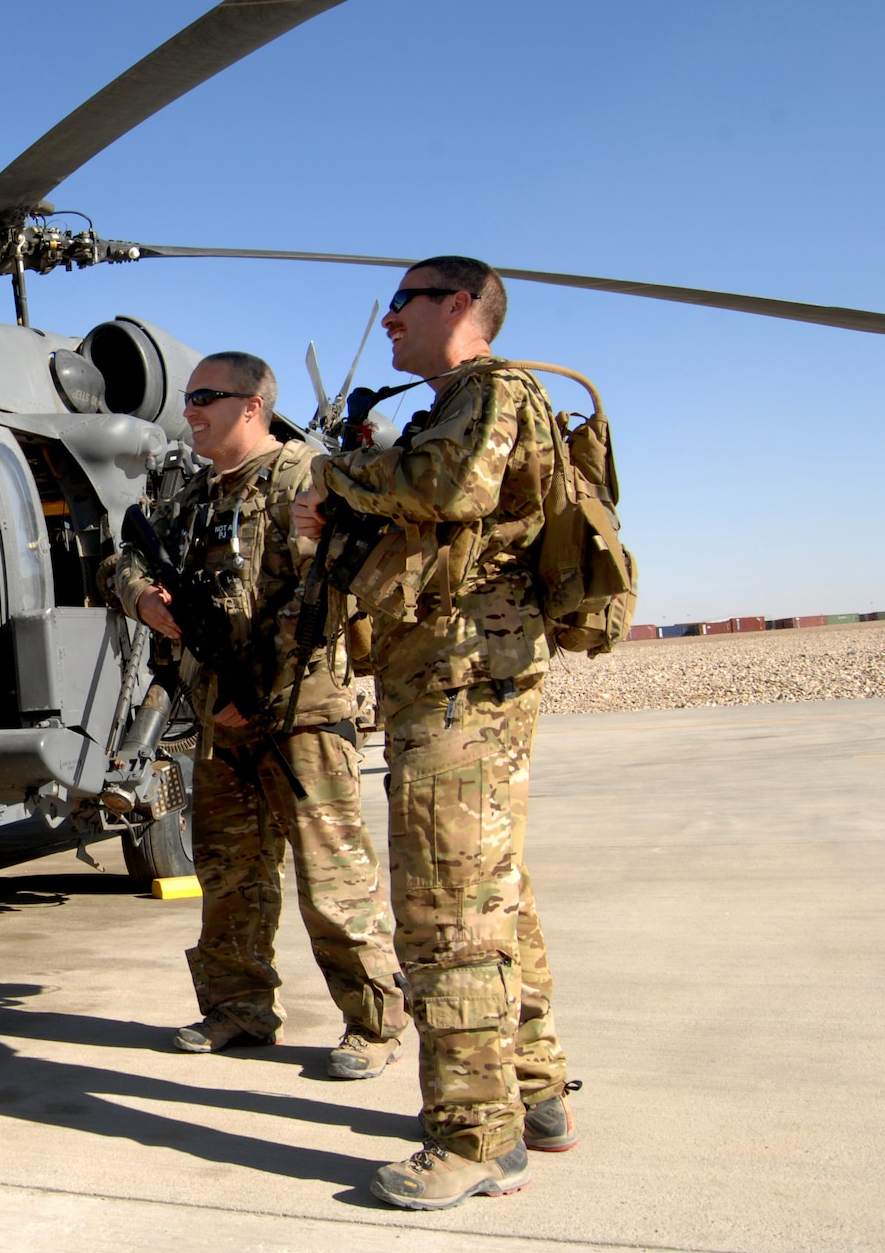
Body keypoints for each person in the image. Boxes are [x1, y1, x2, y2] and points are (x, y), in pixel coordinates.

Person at [294, 256, 579, 1211]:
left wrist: (337, 476)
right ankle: (535, 1089)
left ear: (460, 305)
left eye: (405, 304)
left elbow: (449, 486)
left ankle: (474, 1135)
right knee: (496, 890)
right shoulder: (467, 401)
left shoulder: (488, 394)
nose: (389, 323)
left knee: (446, 908)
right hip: (455, 678)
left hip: (462, 682)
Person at [111, 352, 408, 1079]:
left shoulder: (306, 478)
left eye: (205, 398)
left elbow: (319, 601)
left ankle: (374, 1022)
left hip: (300, 715)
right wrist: (142, 598)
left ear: (253, 404)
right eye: (189, 399)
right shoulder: (191, 498)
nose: (190, 412)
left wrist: (260, 695)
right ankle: (238, 1008)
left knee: (334, 877)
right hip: (220, 717)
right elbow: (123, 560)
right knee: (232, 874)